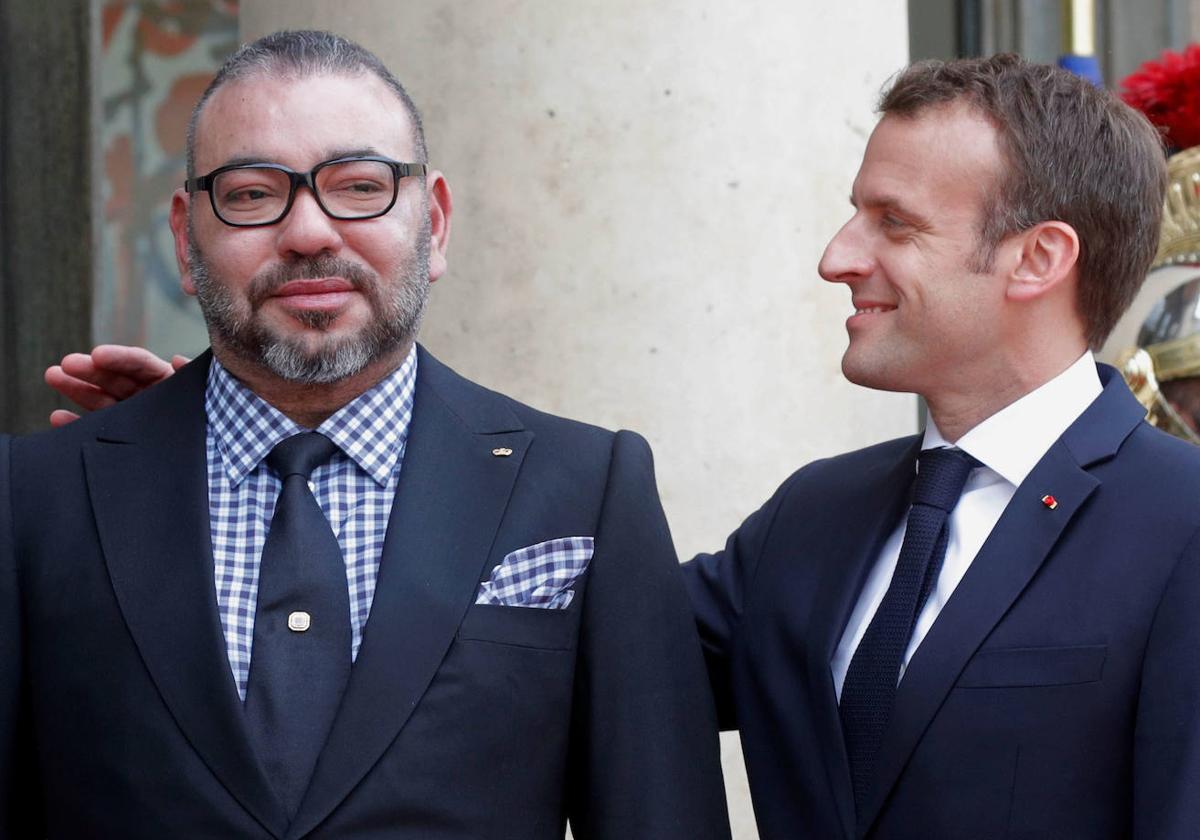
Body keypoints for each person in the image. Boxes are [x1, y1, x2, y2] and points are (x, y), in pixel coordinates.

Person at [4, 30, 730, 839]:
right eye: (250, 194)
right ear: (184, 237)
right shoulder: (30, 501)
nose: (310, 232)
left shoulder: (586, 488)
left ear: (437, 223)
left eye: (360, 186)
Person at [683, 55, 1200, 839]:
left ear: (1038, 259)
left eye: (895, 222)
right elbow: (579, 659)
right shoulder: (812, 514)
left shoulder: (1184, 522)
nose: (838, 259)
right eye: (857, 214)